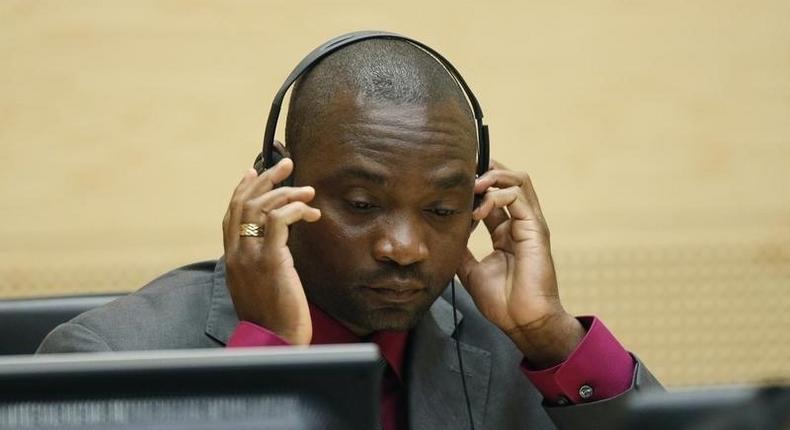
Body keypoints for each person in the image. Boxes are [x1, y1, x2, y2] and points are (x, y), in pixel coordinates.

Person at [38, 36, 661, 429]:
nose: (405, 248)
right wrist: (269, 358)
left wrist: (550, 337)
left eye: (442, 211)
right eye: (362, 204)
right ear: (274, 189)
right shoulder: (104, 361)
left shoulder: (504, 344)